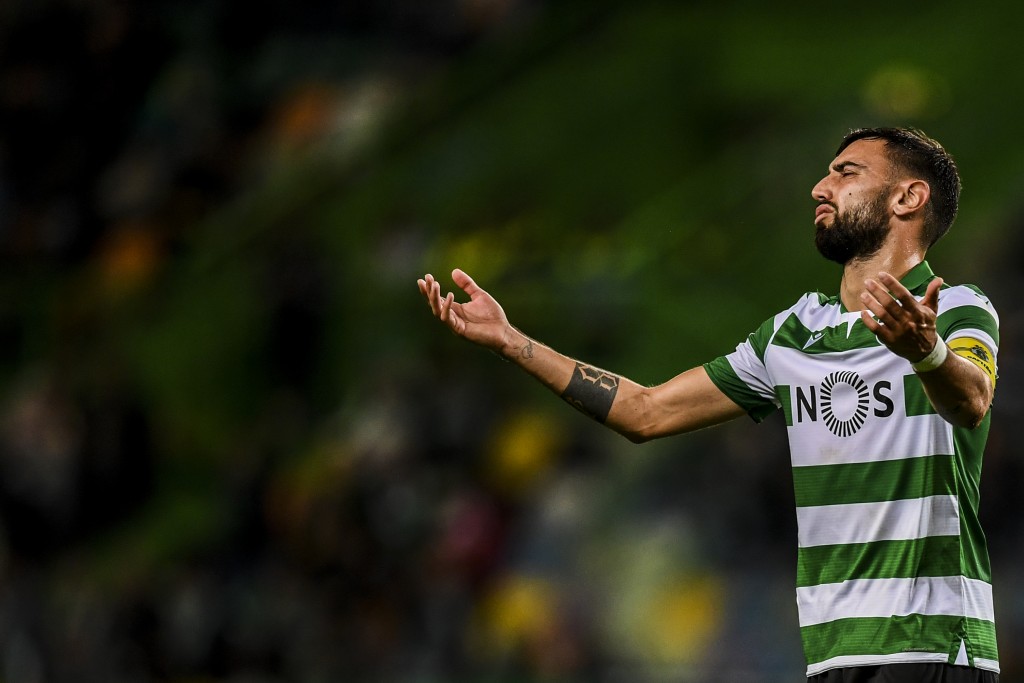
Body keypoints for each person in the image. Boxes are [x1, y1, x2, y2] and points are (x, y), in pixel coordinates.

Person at [417, 127, 1001, 682]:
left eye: (847, 172)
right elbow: (646, 412)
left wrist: (924, 351)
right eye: (826, 174)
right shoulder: (792, 335)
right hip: (832, 653)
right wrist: (513, 341)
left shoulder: (956, 310)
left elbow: (972, 399)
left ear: (908, 196)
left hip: (934, 644)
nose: (820, 188)